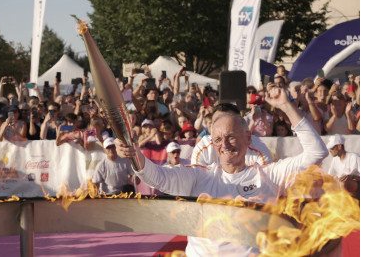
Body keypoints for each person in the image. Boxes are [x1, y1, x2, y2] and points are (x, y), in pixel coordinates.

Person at [114, 87, 328, 257]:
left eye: (231, 136)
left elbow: (317, 152)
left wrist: (286, 106)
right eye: (217, 139)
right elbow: (157, 177)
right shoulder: (200, 176)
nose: (224, 144)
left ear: (248, 138)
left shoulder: (269, 175)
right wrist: (135, 154)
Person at [191, 103, 273, 167]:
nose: (225, 145)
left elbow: (268, 183)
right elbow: (199, 183)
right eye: (217, 122)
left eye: (229, 122)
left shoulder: (258, 148)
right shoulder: (203, 149)